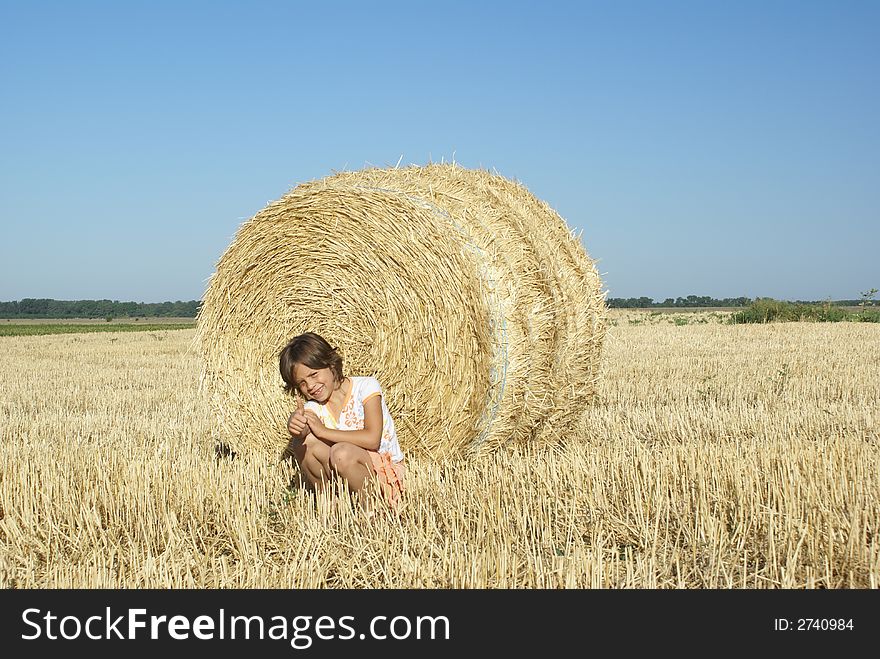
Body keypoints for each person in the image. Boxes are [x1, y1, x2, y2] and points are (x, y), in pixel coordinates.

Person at [278, 332, 405, 511]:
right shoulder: (315, 406)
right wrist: (296, 424)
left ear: (330, 364)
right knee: (303, 443)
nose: (311, 386)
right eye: (302, 383)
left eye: (314, 375)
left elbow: (372, 439)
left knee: (341, 452)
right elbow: (304, 431)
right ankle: (331, 505)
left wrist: (324, 432)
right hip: (343, 469)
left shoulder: (366, 386)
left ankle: (373, 508)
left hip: (381, 470)